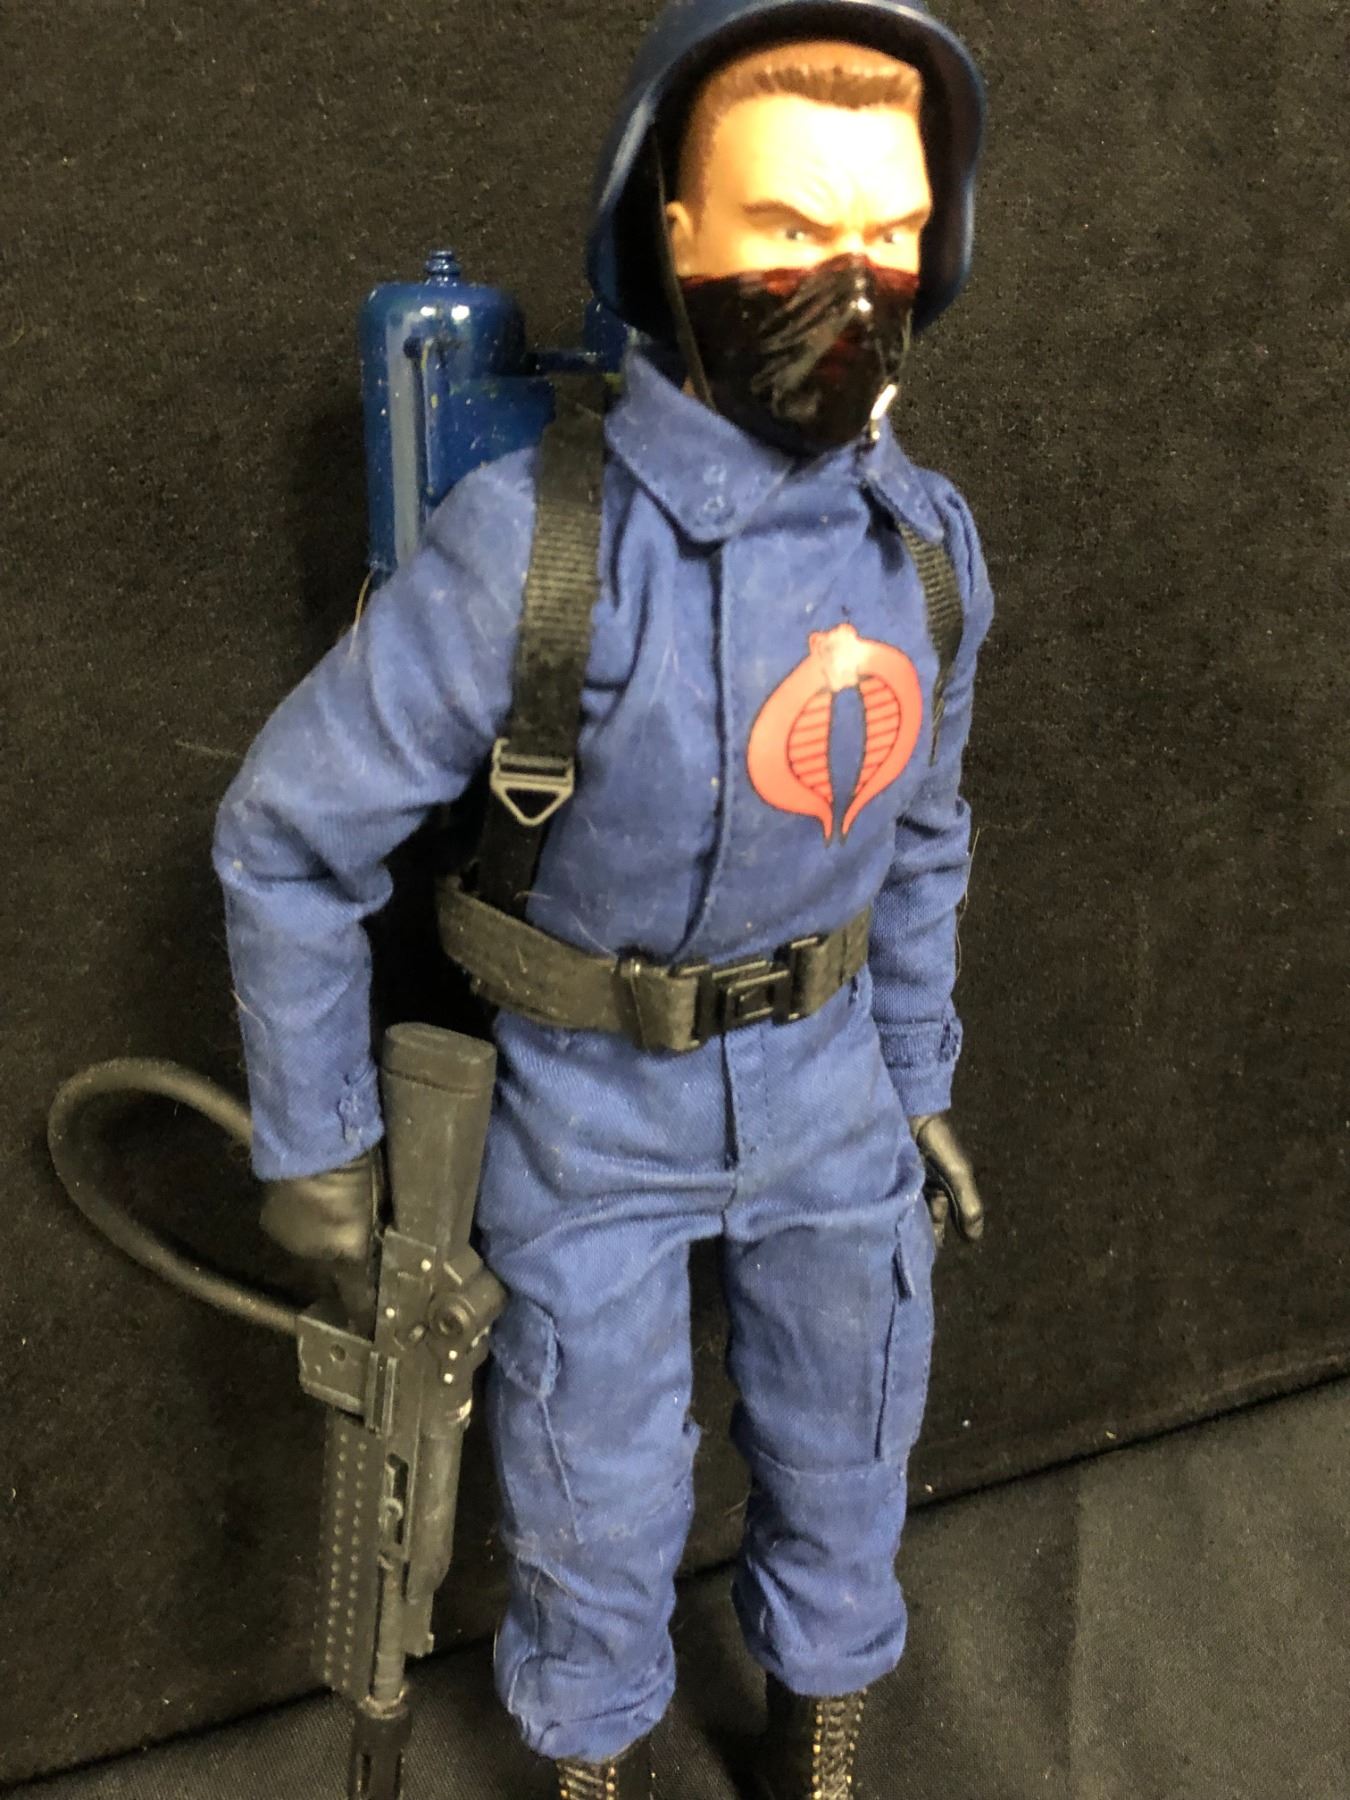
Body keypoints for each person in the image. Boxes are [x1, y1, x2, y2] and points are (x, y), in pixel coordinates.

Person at [213, 3, 991, 1795]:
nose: (846, 277)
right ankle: (590, 1762)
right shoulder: (537, 545)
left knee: (852, 1439)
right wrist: (319, 1145)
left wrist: (914, 1074)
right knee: (593, 1494)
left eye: (887, 230)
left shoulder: (921, 549)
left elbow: (923, 834)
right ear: (674, 228)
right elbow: (289, 834)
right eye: (787, 224)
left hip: (828, 1090)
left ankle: (818, 1741)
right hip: (585, 1108)